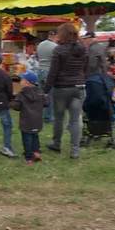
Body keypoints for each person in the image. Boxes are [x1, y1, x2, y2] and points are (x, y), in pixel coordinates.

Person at [44, 23, 87, 159]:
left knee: (59, 118)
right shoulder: (82, 49)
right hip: (78, 87)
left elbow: (53, 73)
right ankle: (75, 150)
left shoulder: (59, 50)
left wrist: (46, 90)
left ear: (62, 34)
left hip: (61, 88)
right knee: (75, 120)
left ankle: (56, 143)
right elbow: (85, 68)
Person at [10, 71, 48, 165]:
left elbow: (16, 106)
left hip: (26, 121)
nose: (20, 81)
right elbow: (46, 103)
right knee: (35, 136)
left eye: (22, 80)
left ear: (27, 82)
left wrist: (11, 101)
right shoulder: (40, 92)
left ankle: (29, 158)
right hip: (37, 121)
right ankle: (36, 153)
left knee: (27, 139)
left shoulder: (21, 94)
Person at [37, 31, 58, 123]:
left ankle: (41, 114)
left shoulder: (40, 45)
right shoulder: (55, 46)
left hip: (40, 70)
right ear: (54, 36)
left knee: (42, 95)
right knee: (50, 95)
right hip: (49, 71)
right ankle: (49, 117)